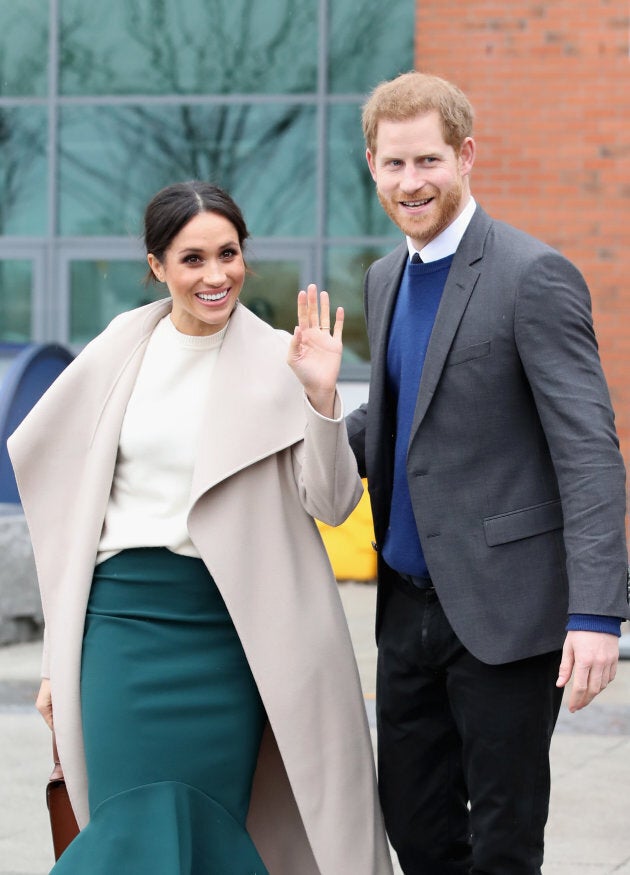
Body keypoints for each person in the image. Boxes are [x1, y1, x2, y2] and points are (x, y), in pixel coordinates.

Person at [8, 181, 393, 875]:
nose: (216, 275)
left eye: (229, 254)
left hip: (233, 635)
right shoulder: (119, 351)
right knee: (127, 822)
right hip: (120, 623)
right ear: (157, 266)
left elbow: (334, 503)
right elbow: (66, 511)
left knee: (210, 826)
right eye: (193, 259)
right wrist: (54, 656)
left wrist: (321, 395)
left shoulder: (284, 357)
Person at [345, 71, 630, 875]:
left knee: (504, 841)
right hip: (405, 609)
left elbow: (588, 450)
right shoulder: (382, 278)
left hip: (507, 614)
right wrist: (307, 418)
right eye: (395, 164)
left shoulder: (532, 275)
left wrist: (599, 614)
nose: (411, 182)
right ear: (372, 163)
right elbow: (399, 423)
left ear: (467, 156)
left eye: (428, 161)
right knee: (415, 824)